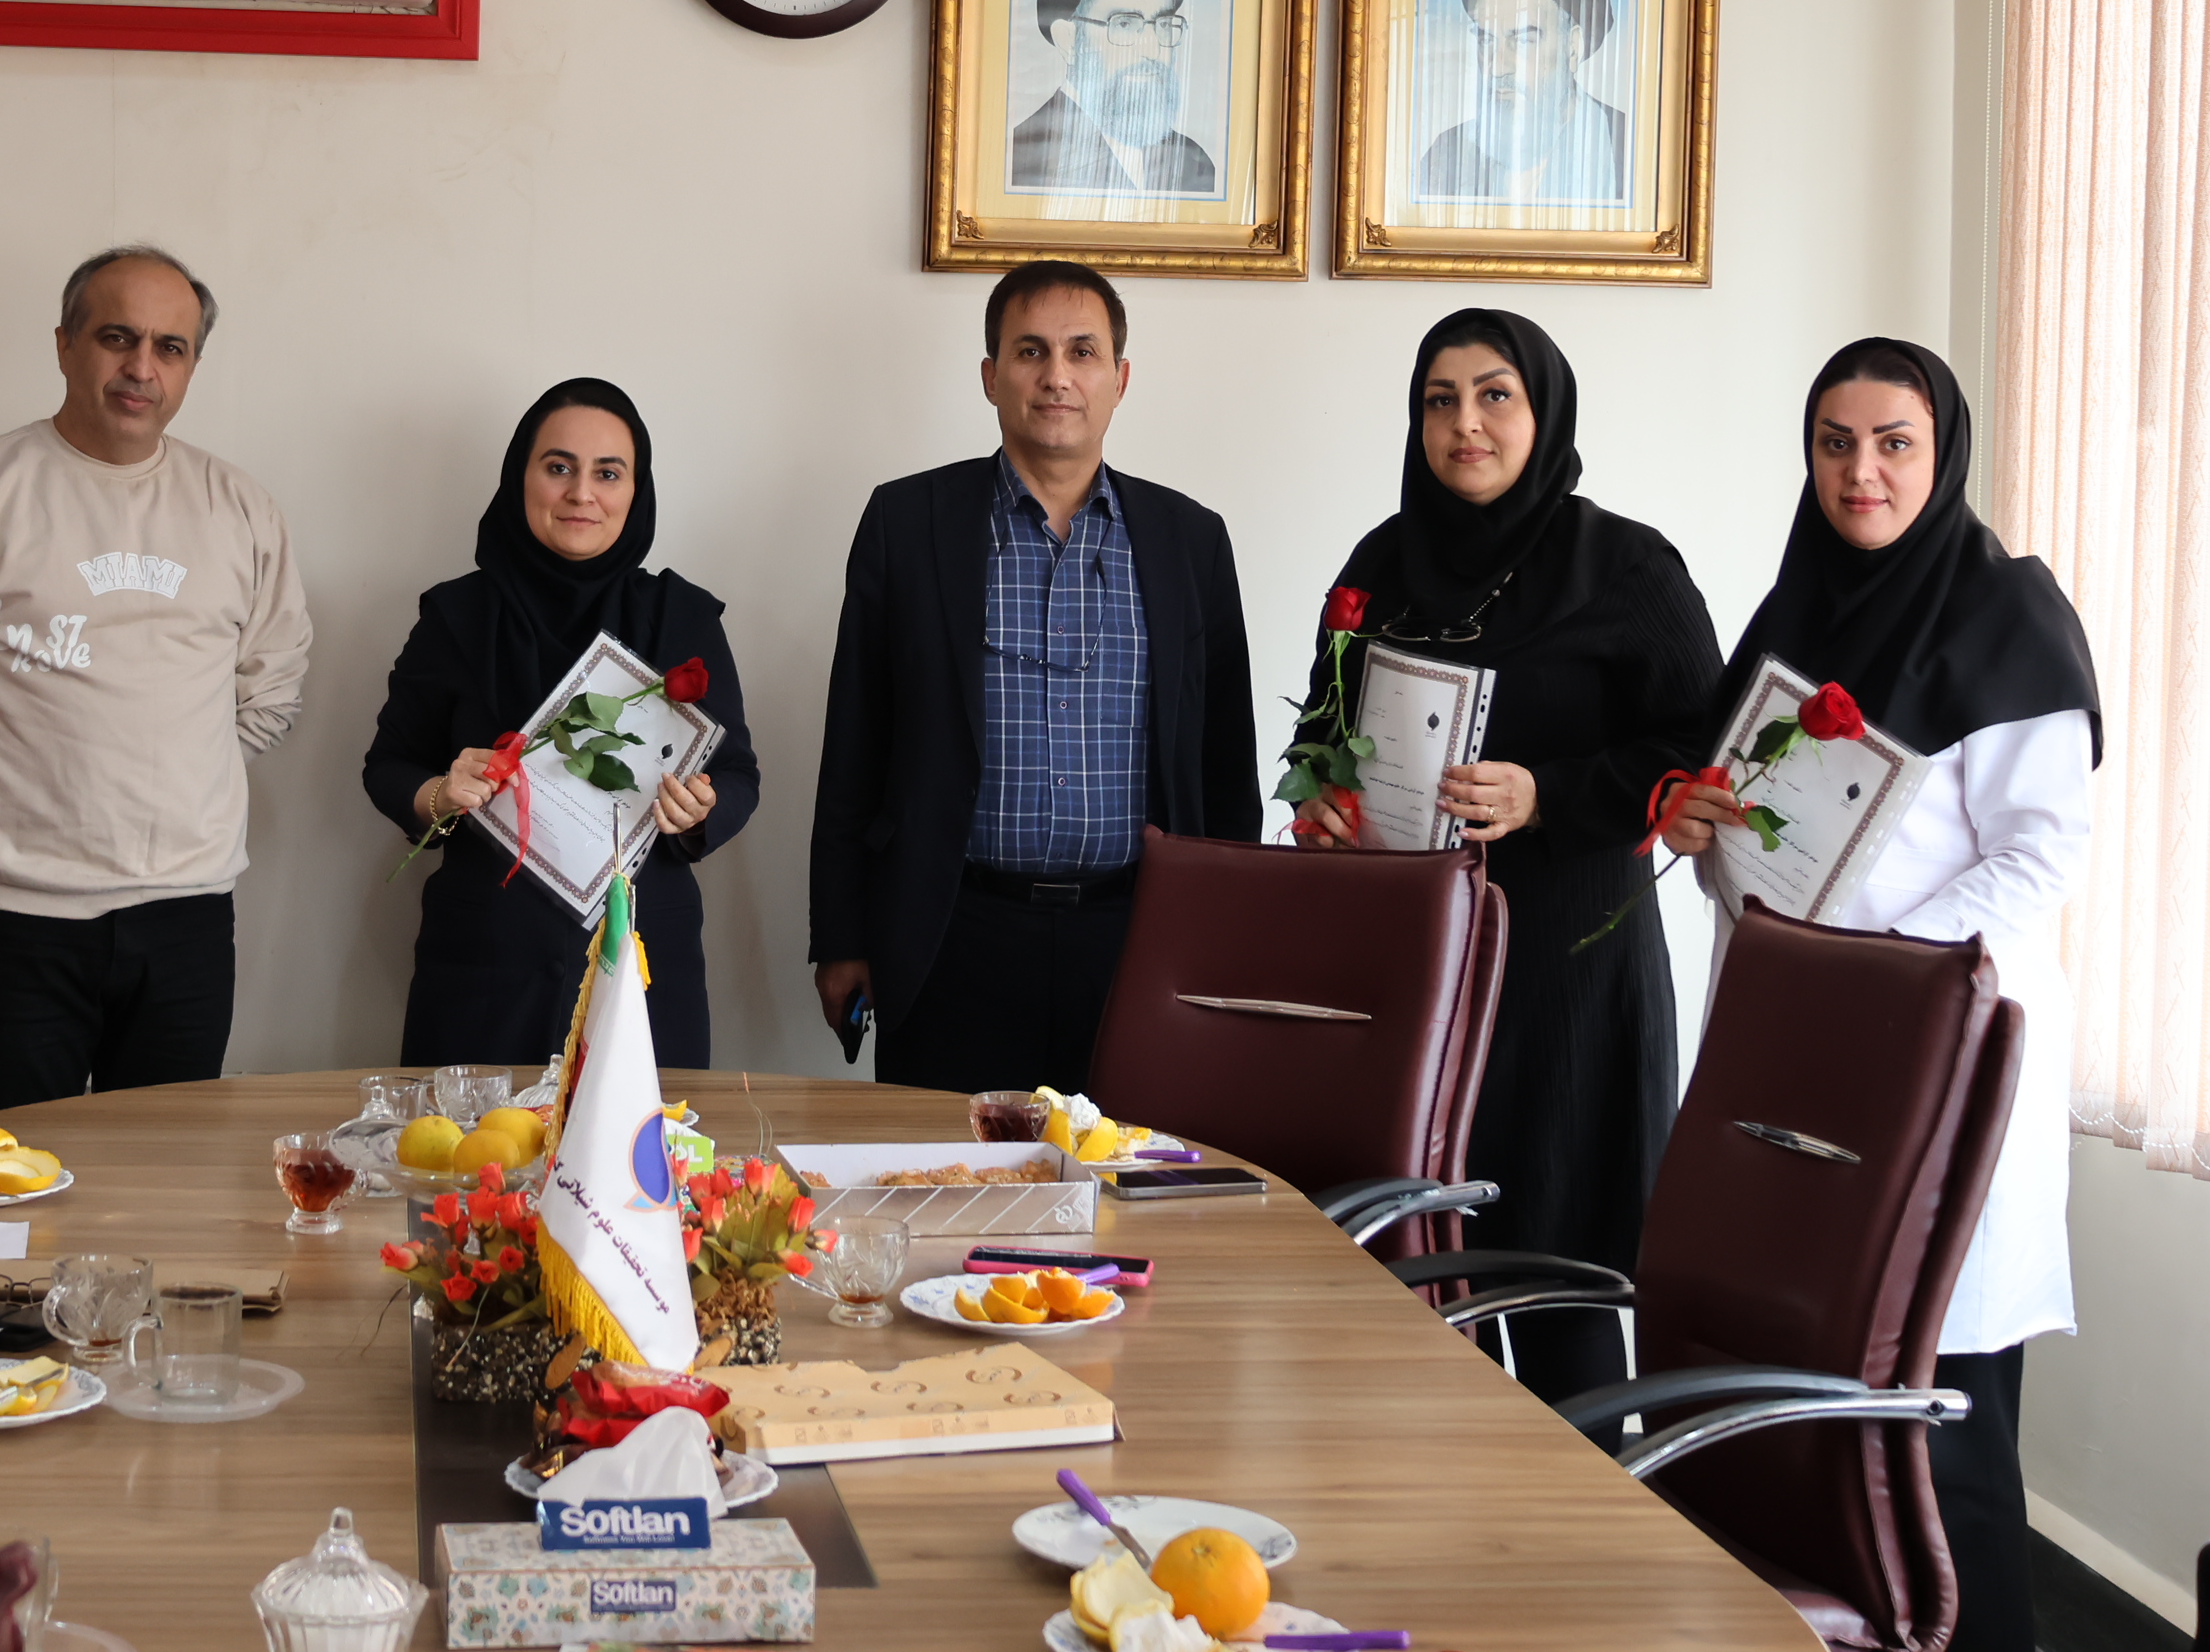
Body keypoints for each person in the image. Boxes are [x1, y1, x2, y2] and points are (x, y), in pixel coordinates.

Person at [1661, 338, 2096, 1652]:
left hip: (1940, 1067)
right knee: (1803, 1429)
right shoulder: (1792, 621)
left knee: (1938, 1437)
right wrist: (1702, 836)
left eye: (1895, 443)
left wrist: (1877, 969)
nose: (1863, 471)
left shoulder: (2008, 616)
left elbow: (2042, 856)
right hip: (1795, 1066)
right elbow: (1753, 862)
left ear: (1941, 453)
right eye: (1837, 442)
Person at [1292, 309, 1721, 1405]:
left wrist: (1547, 796)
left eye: (1495, 396)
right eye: (1440, 401)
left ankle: (1583, 1508)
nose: (1465, 425)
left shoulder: (1625, 565)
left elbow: (1698, 753)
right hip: (1418, 980)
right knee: (1421, 1278)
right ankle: (1452, 1504)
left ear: (1545, 411)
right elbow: (1323, 737)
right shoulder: (1381, 563)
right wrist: (1326, 806)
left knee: (1560, 1273)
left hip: (1569, 974)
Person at [0, 244, 312, 1114]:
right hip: (16, 925)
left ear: (191, 366)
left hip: (188, 921)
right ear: (64, 344)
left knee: (163, 1177)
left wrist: (173, 783)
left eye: (170, 347)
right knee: (12, 1179)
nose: (142, 367)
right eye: (117, 337)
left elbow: (270, 687)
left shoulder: (239, 510)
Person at [809, 259, 1258, 1094]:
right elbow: (854, 745)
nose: (1057, 376)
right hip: (951, 935)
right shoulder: (908, 522)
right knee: (945, 1170)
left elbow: (1225, 763)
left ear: (1120, 379)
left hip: (1138, 940)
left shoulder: (1189, 540)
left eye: (1083, 352)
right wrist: (840, 937)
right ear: (991, 376)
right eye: (1030, 351)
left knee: (1125, 1174)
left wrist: (1226, 945)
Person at [363, 381, 759, 1069]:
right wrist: (439, 795)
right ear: (521, 476)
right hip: (483, 977)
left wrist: (702, 810)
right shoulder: (456, 617)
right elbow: (389, 765)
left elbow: (737, 774)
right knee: (471, 1143)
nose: (581, 493)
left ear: (636, 490)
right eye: (558, 467)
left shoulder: (680, 617)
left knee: (638, 1143)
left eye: (608, 473)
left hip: (640, 974)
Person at [1007, 0, 1217, 199]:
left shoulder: (1194, 164)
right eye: (1125, 24)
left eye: (1163, 23)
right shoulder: (1020, 160)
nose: (1153, 49)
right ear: (1069, 41)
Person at [1416, 0, 1631, 205]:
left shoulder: (1629, 151)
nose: (1496, 67)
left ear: (1572, 48)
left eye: (1523, 40)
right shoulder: (1447, 154)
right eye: (1486, 40)